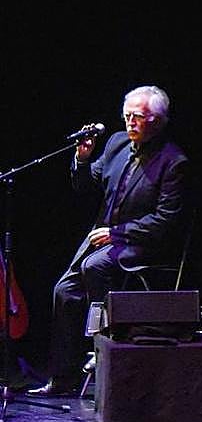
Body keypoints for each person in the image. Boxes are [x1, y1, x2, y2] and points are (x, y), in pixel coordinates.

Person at [31, 85, 189, 395]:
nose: (130, 122)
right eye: (127, 115)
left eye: (138, 117)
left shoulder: (174, 162)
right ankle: (64, 377)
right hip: (103, 239)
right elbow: (88, 185)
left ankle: (104, 361)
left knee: (96, 268)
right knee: (63, 291)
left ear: (157, 121)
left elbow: (166, 221)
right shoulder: (117, 144)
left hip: (140, 243)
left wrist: (116, 234)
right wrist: (82, 159)